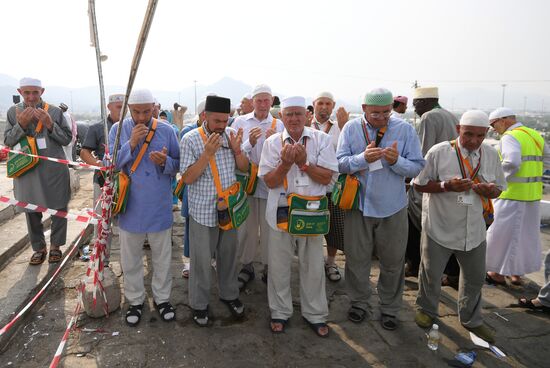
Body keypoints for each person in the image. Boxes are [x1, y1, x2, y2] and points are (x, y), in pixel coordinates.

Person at [413, 110, 506, 343]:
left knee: (474, 278)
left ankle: (471, 320)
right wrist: (446, 185)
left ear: (486, 134)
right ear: (458, 130)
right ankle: (426, 310)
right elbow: (419, 185)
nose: (474, 141)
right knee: (431, 273)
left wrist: (490, 191)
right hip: (440, 225)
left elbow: (499, 188)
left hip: (474, 229)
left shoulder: (491, 154)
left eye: (479, 136)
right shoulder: (439, 152)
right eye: (468, 135)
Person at [337, 88, 425, 330]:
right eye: (375, 113)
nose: (381, 118)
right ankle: (358, 303)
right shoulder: (352, 129)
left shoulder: (404, 130)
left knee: (393, 262)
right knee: (356, 259)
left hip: (393, 207)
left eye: (386, 112)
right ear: (364, 108)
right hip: (359, 206)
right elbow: (339, 163)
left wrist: (397, 161)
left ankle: (389, 308)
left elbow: (417, 167)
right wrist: (361, 159)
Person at [259, 96, 338, 337]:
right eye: (288, 114)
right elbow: (269, 181)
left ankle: (315, 314)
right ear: (281, 117)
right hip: (280, 214)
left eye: (298, 114)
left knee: (313, 266)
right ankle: (280, 312)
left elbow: (329, 180)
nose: (293, 119)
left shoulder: (321, 140)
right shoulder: (272, 143)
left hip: (311, 214)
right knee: (279, 267)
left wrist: (304, 164)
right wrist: (284, 165)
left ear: (307, 116)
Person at [108, 89, 180, 326]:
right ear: (128, 109)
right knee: (130, 259)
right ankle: (135, 300)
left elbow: (178, 165)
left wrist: (165, 162)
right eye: (136, 112)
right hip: (131, 206)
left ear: (154, 108)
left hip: (159, 204)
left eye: (146, 111)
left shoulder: (167, 130)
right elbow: (112, 165)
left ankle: (162, 299)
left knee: (162, 257)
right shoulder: (118, 130)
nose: (141, 117)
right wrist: (132, 143)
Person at [180, 95, 249, 326]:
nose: (221, 125)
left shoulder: (230, 136)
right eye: (217, 120)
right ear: (205, 117)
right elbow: (188, 178)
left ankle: (229, 294)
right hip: (203, 211)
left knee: (229, 256)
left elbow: (244, 169)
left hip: (228, 208)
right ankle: (199, 304)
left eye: (225, 120)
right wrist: (206, 155)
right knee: (201, 261)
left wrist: (238, 151)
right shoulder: (190, 139)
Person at [4, 77, 73, 265]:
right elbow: (8, 141)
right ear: (20, 92)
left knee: (58, 207)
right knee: (31, 209)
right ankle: (39, 249)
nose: (31, 97)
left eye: (35, 92)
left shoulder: (55, 112)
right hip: (27, 169)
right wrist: (21, 125)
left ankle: (56, 247)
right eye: (27, 92)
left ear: (42, 92)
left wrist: (50, 124)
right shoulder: (13, 112)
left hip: (53, 169)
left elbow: (67, 139)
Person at [485, 108, 550, 285]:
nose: (493, 129)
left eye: (493, 124)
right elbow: (547, 159)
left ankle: (497, 272)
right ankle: (516, 274)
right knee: (524, 237)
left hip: (511, 195)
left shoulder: (509, 136)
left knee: (498, 235)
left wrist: (498, 180)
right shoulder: (534, 134)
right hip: (532, 195)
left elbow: (512, 162)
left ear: (504, 120)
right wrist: (532, 176)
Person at [232, 84, 284, 289]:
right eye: (259, 100)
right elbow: (234, 152)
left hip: (271, 186)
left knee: (271, 230)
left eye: (266, 100)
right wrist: (249, 143)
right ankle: (246, 266)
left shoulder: (280, 125)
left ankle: (269, 267)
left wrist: (275, 142)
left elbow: (286, 155)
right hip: (248, 185)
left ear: (272, 101)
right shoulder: (240, 122)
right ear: (252, 102)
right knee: (247, 230)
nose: (263, 104)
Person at [406, 87, 459, 286]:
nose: (414, 108)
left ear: (425, 102)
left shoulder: (429, 117)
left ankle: (415, 266)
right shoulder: (450, 115)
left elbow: (422, 152)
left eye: (416, 103)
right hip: (448, 178)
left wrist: (412, 178)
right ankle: (452, 272)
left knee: (415, 222)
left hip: (430, 180)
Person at [80, 93, 124, 265]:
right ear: (109, 107)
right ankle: (102, 259)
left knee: (126, 222)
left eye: (125, 107)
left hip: (126, 182)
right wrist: (99, 165)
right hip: (102, 181)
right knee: (102, 221)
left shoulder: (130, 127)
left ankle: (127, 259)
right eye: (119, 107)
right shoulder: (97, 128)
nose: (122, 110)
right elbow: (84, 152)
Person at [311, 91, 347, 282]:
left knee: (334, 229)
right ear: (314, 104)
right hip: (310, 188)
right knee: (312, 228)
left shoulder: (340, 127)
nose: (324, 107)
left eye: (328, 104)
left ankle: (331, 262)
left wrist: (343, 126)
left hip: (333, 188)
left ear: (333, 106)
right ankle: (313, 263)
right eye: (320, 103)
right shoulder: (306, 124)